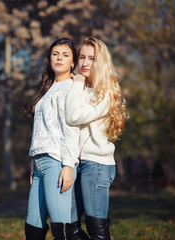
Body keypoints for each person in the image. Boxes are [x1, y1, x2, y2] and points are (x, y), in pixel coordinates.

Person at [66, 37, 128, 240]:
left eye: (91, 58)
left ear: (100, 62)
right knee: (69, 228)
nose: (85, 63)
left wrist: (76, 83)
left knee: (97, 230)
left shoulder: (105, 93)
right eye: (82, 57)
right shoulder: (78, 87)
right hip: (75, 164)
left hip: (97, 164)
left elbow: (74, 116)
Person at [25, 38, 83, 240]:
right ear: (49, 58)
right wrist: (34, 161)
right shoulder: (48, 88)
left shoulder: (71, 87)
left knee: (62, 230)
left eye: (65, 55)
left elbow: (71, 128)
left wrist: (68, 165)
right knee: (33, 229)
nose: (59, 58)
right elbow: (41, 129)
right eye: (55, 54)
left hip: (58, 162)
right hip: (40, 163)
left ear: (73, 62)